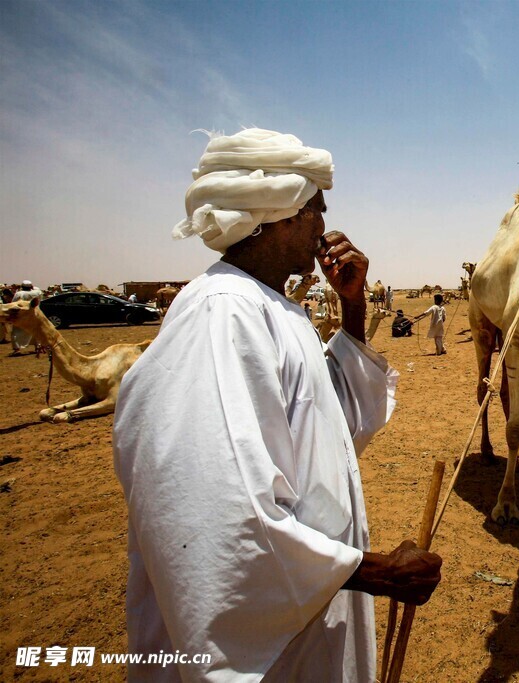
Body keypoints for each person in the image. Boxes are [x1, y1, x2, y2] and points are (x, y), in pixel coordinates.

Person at [112, 128, 441, 682]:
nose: (324, 223)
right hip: (263, 647)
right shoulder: (223, 314)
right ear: (281, 214)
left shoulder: (275, 308)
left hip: (305, 618)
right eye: (315, 209)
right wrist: (373, 571)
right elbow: (215, 512)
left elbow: (326, 423)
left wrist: (353, 305)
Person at [11, 280, 43, 354]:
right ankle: (38, 347)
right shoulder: (37, 292)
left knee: (16, 332)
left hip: (22, 315)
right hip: (34, 314)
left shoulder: (18, 294)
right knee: (35, 331)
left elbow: (14, 304)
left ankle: (17, 349)